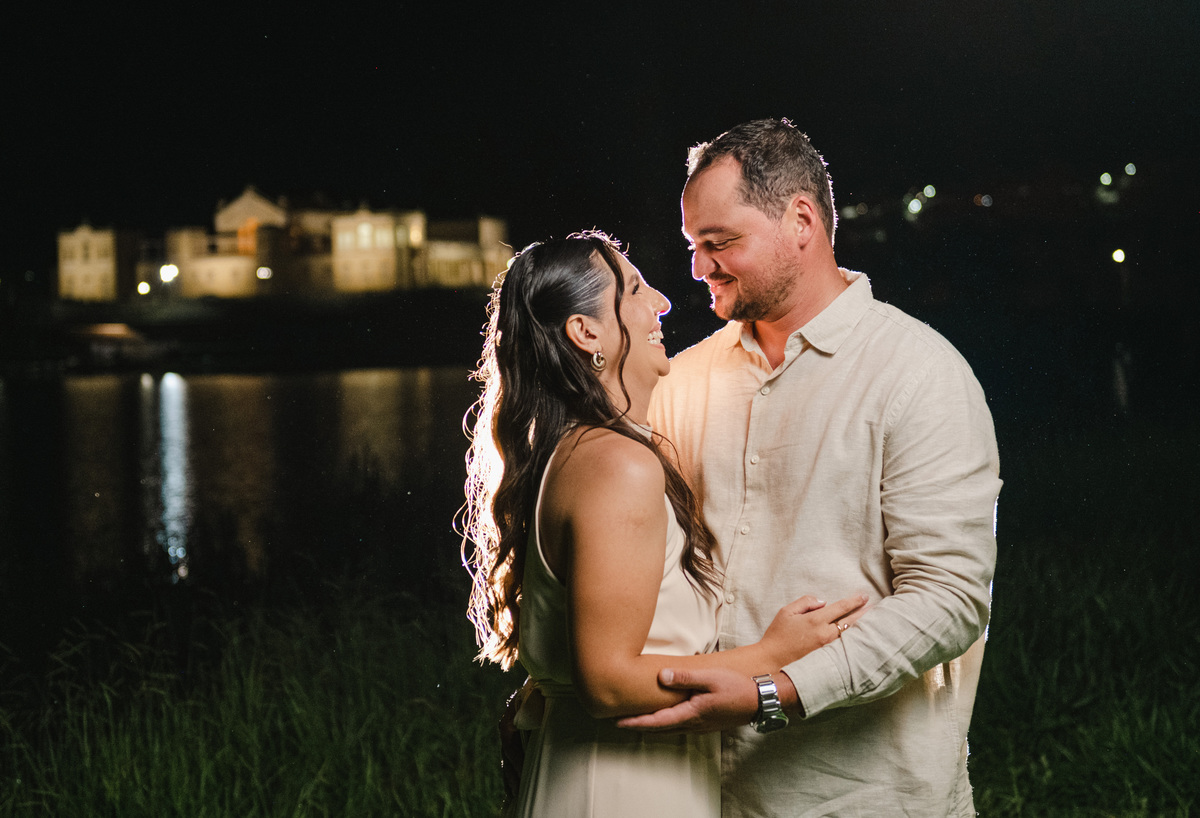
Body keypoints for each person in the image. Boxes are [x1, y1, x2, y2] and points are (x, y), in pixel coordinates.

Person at [617, 119, 1003, 816]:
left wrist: (773, 693)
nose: (700, 268)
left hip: (866, 797)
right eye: (694, 246)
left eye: (719, 242)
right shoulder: (679, 382)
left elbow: (949, 599)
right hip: (696, 791)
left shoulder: (921, 374)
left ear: (801, 220)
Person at [461, 231, 868, 818]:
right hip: (622, 790)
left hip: (619, 777)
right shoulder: (617, 465)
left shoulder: (581, 453)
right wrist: (772, 653)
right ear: (586, 332)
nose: (662, 302)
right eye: (633, 290)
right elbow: (607, 683)